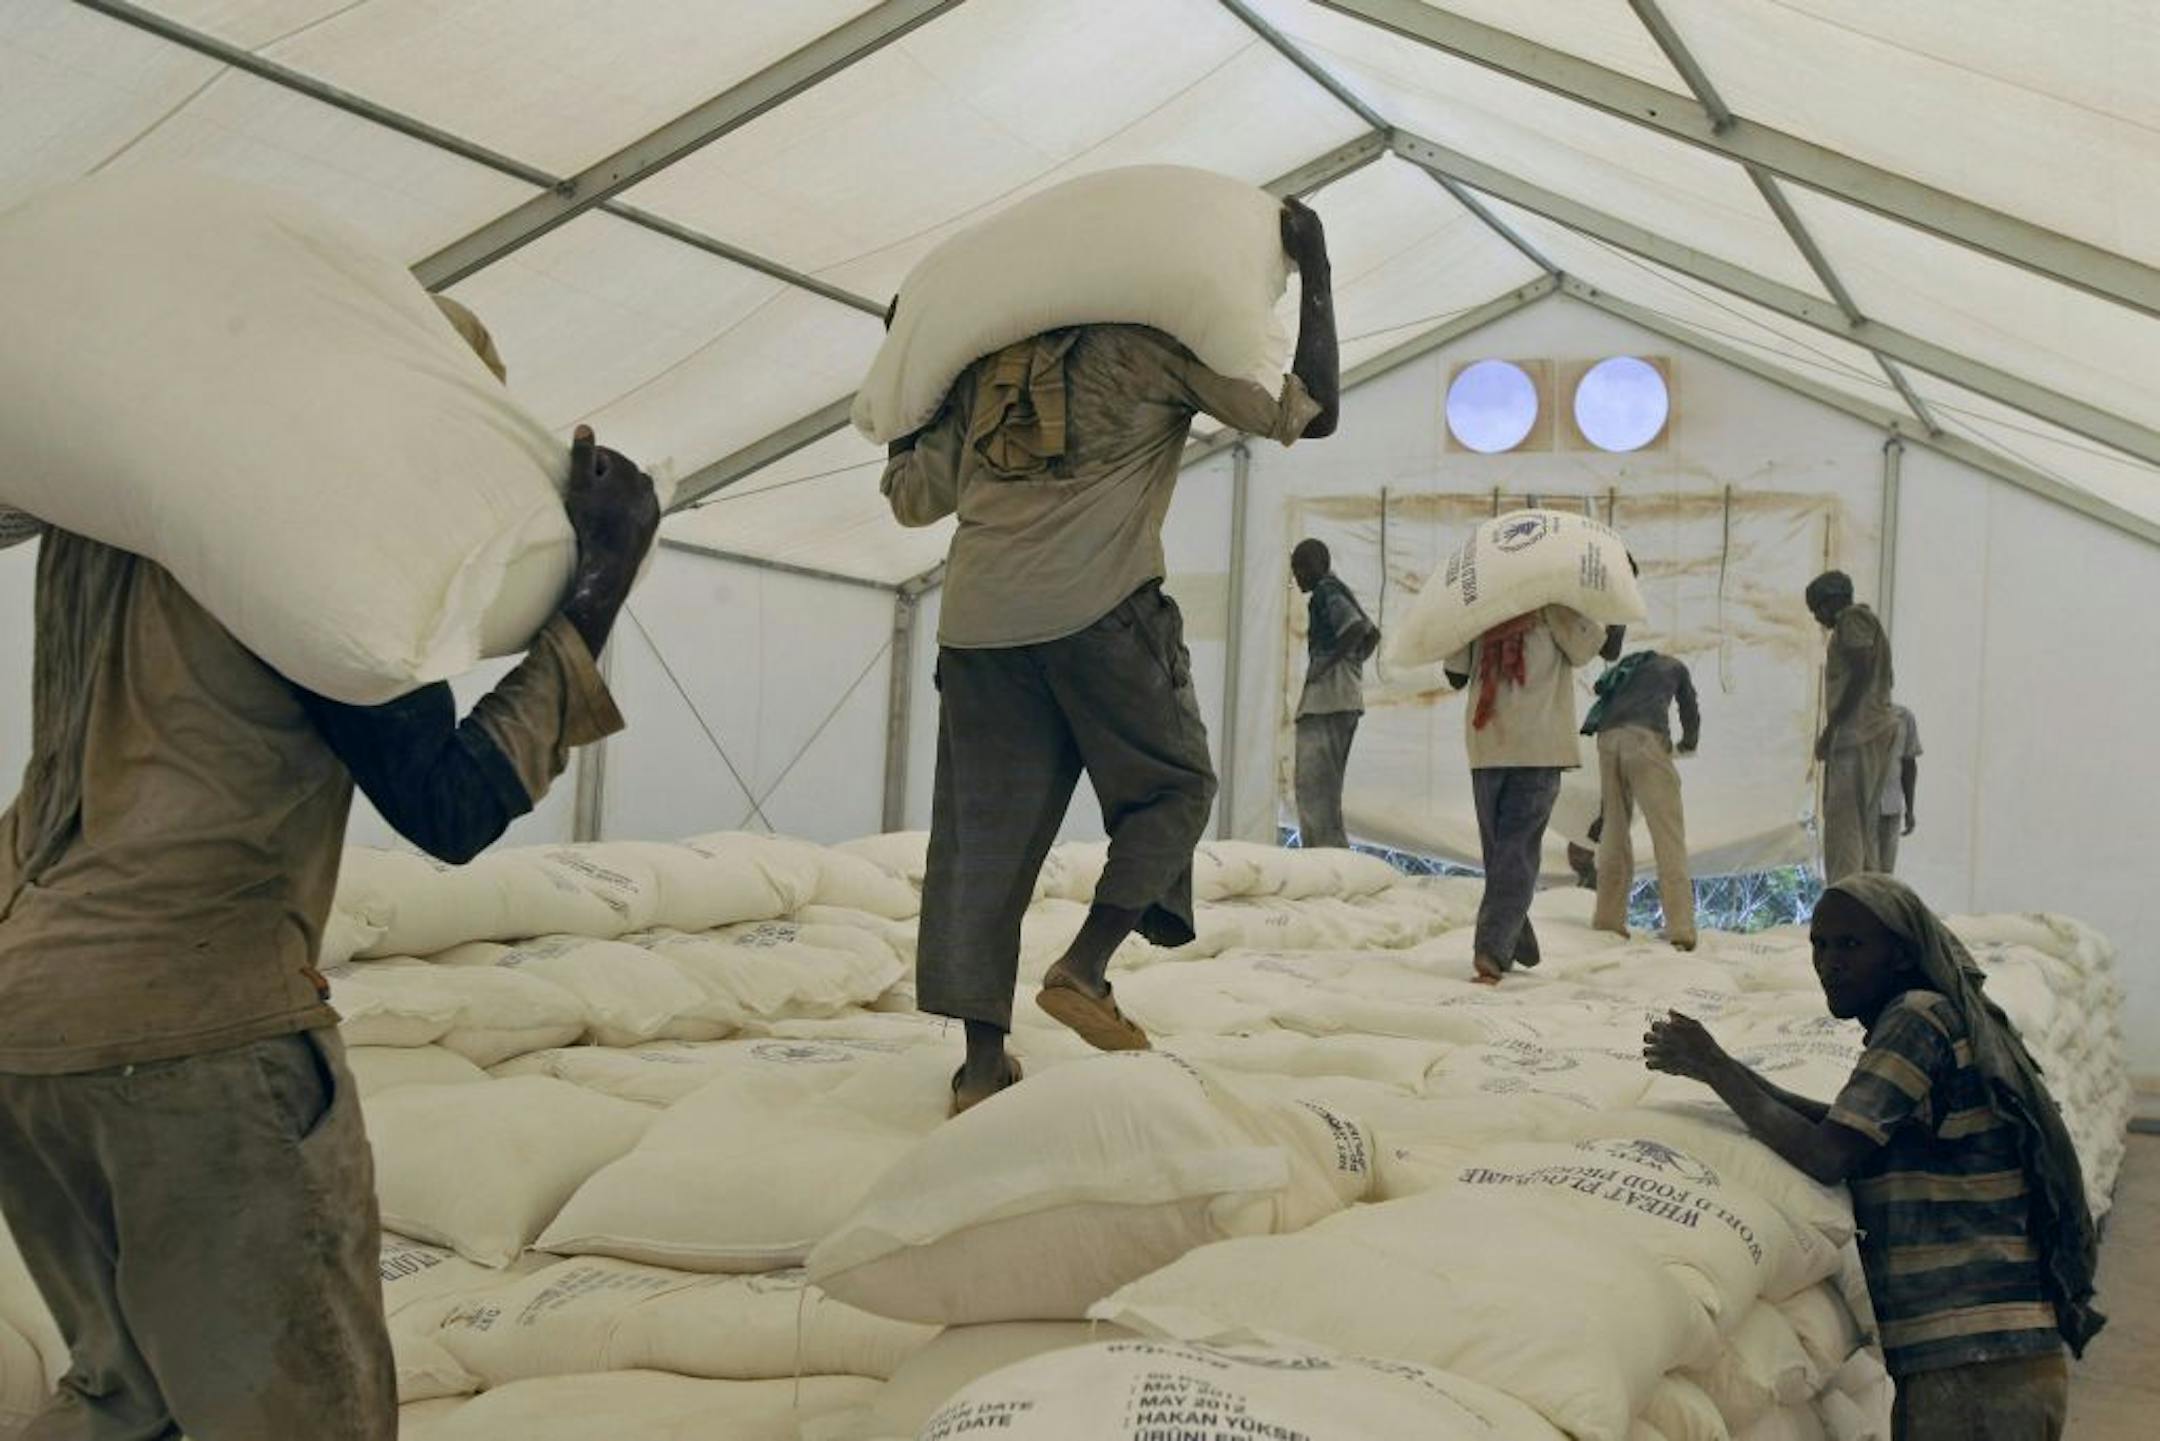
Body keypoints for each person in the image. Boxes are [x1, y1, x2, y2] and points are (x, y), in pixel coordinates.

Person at [0, 299, 660, 1441]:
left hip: (26, 1019)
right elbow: (447, 805)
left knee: (130, 1399)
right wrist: (596, 592)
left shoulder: (107, 498)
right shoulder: (309, 534)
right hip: (192, 1031)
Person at [884, 199, 1340, 1114]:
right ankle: (1085, 966)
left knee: (982, 847)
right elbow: (1307, 414)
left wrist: (904, 376)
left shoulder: (978, 371)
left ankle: (980, 1069)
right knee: (1175, 785)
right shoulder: (1150, 346)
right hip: (1102, 616)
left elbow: (909, 500)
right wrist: (1317, 272)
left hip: (978, 632)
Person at [1643, 876, 2103, 1441]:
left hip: (1974, 1365)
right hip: (1988, 1359)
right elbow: (1844, 1125)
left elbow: (1828, 1153)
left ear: (1902, 953)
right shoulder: (1932, 1015)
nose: (1829, 963)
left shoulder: (1916, 1021)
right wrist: (1723, 1069)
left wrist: (1715, 1069)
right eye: (1819, 945)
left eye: (1851, 946)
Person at [1444, 602, 1609, 983]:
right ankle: (1494, 948)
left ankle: (1505, 941)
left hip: (1488, 746)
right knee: (1515, 853)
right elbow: (1595, 649)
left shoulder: (1478, 607)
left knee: (1501, 854)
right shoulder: (1556, 606)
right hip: (1538, 747)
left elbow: (1454, 675)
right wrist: (1607, 605)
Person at [1581, 644, 1701, 949]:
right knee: (1667, 834)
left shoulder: (1627, 671)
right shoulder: (1674, 665)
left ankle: (1608, 921)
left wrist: (1603, 812)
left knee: (1614, 831)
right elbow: (1689, 708)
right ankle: (1681, 929)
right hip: (1646, 738)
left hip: (1607, 739)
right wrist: (1688, 743)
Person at [1806, 570, 1898, 882]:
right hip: (1867, 731)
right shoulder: (1866, 624)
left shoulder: (1852, 619)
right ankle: (1867, 892)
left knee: (1844, 823)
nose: (1818, 619)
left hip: (1858, 734)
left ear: (1832, 601)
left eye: (1818, 609)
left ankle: (1846, 895)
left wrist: (1833, 728)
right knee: (1863, 822)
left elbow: (1861, 669)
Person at [1290, 538, 1378, 851]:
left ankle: (1323, 859)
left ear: (1316, 566)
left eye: (1300, 569)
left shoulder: (1326, 591)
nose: (1297, 576)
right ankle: (1331, 857)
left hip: (1326, 704)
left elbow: (1355, 629)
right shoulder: (1339, 590)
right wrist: (1352, 667)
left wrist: (1328, 665)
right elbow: (1371, 634)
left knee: (1313, 787)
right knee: (1325, 789)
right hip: (1342, 700)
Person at [1879, 703, 1922, 874]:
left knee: (1885, 873)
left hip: (1891, 805)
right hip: (1860, 811)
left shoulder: (1904, 717)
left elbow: (1909, 765)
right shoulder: (1856, 715)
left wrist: (1910, 810)